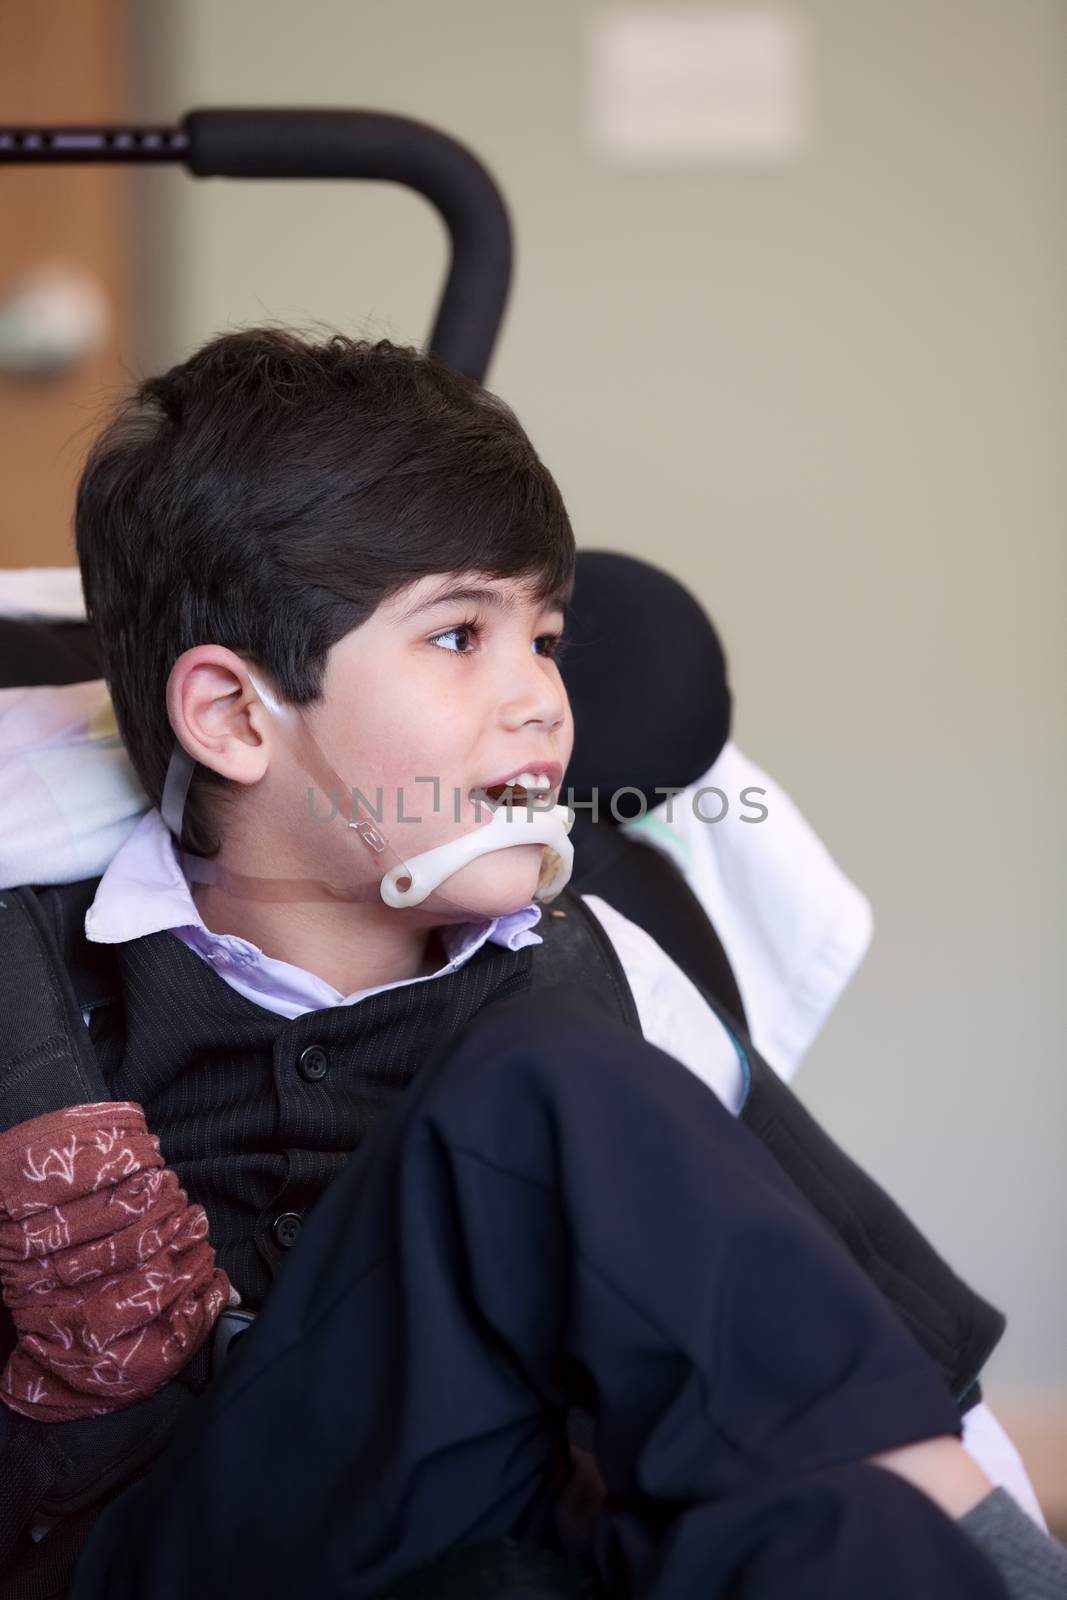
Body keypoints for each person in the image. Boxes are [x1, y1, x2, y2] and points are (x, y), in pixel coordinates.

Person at [0, 329, 1060, 1598]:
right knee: (544, 1084)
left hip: (484, 1541)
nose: (542, 700)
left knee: (743, 1543)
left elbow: (878, 1371)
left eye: (544, 638)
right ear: (233, 715)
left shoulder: (589, 969)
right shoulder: (48, 973)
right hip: (162, 1547)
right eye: (459, 637)